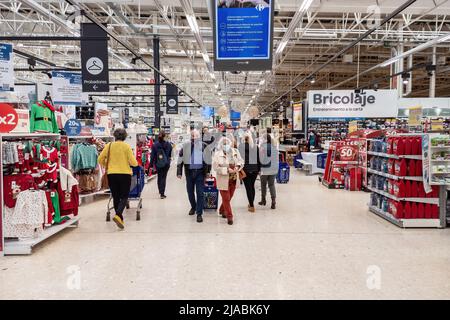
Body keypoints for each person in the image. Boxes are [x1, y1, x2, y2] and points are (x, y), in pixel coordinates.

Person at [98, 128, 138, 229]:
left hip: (112, 174)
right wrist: (134, 164)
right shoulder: (127, 147)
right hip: (125, 174)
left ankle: (119, 218)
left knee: (116, 196)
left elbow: (100, 159)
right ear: (124, 136)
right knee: (124, 196)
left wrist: (106, 165)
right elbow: (133, 162)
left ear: (115, 136)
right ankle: (118, 214)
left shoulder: (109, 146)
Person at [177, 129, 211, 223]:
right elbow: (180, 159)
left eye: (196, 136)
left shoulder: (204, 146)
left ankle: (199, 214)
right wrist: (179, 172)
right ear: (190, 137)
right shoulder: (186, 146)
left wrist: (208, 172)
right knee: (190, 192)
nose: (194, 138)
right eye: (192, 136)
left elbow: (208, 160)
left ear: (199, 136)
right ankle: (193, 206)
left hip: (200, 173)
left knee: (200, 193)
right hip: (189, 173)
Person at [213, 136, 244, 225]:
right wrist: (226, 170)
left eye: (227, 143)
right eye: (224, 143)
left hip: (233, 179)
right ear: (221, 145)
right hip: (223, 179)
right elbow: (215, 167)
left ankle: (222, 210)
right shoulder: (217, 154)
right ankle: (229, 217)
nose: (225, 145)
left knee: (229, 197)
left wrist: (238, 166)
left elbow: (241, 161)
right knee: (226, 198)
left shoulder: (235, 151)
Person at [239, 133, 260, 213]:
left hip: (245, 170)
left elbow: (239, 159)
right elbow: (259, 159)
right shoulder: (255, 147)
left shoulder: (241, 147)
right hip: (254, 170)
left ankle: (251, 205)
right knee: (252, 186)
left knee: (248, 188)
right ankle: (251, 203)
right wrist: (259, 169)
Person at [259, 132, 279, 210]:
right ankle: (273, 201)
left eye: (262, 138)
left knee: (263, 184)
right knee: (271, 184)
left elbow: (261, 158)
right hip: (274, 168)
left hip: (265, 168)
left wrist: (259, 168)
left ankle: (263, 200)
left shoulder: (262, 147)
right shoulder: (274, 147)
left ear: (264, 139)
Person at [150, 130, 173, 199]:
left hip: (158, 163)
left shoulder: (155, 145)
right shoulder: (168, 144)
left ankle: (160, 190)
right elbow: (169, 154)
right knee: (164, 177)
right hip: (166, 163)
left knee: (159, 176)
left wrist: (150, 165)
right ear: (165, 136)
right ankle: (162, 193)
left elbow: (152, 156)